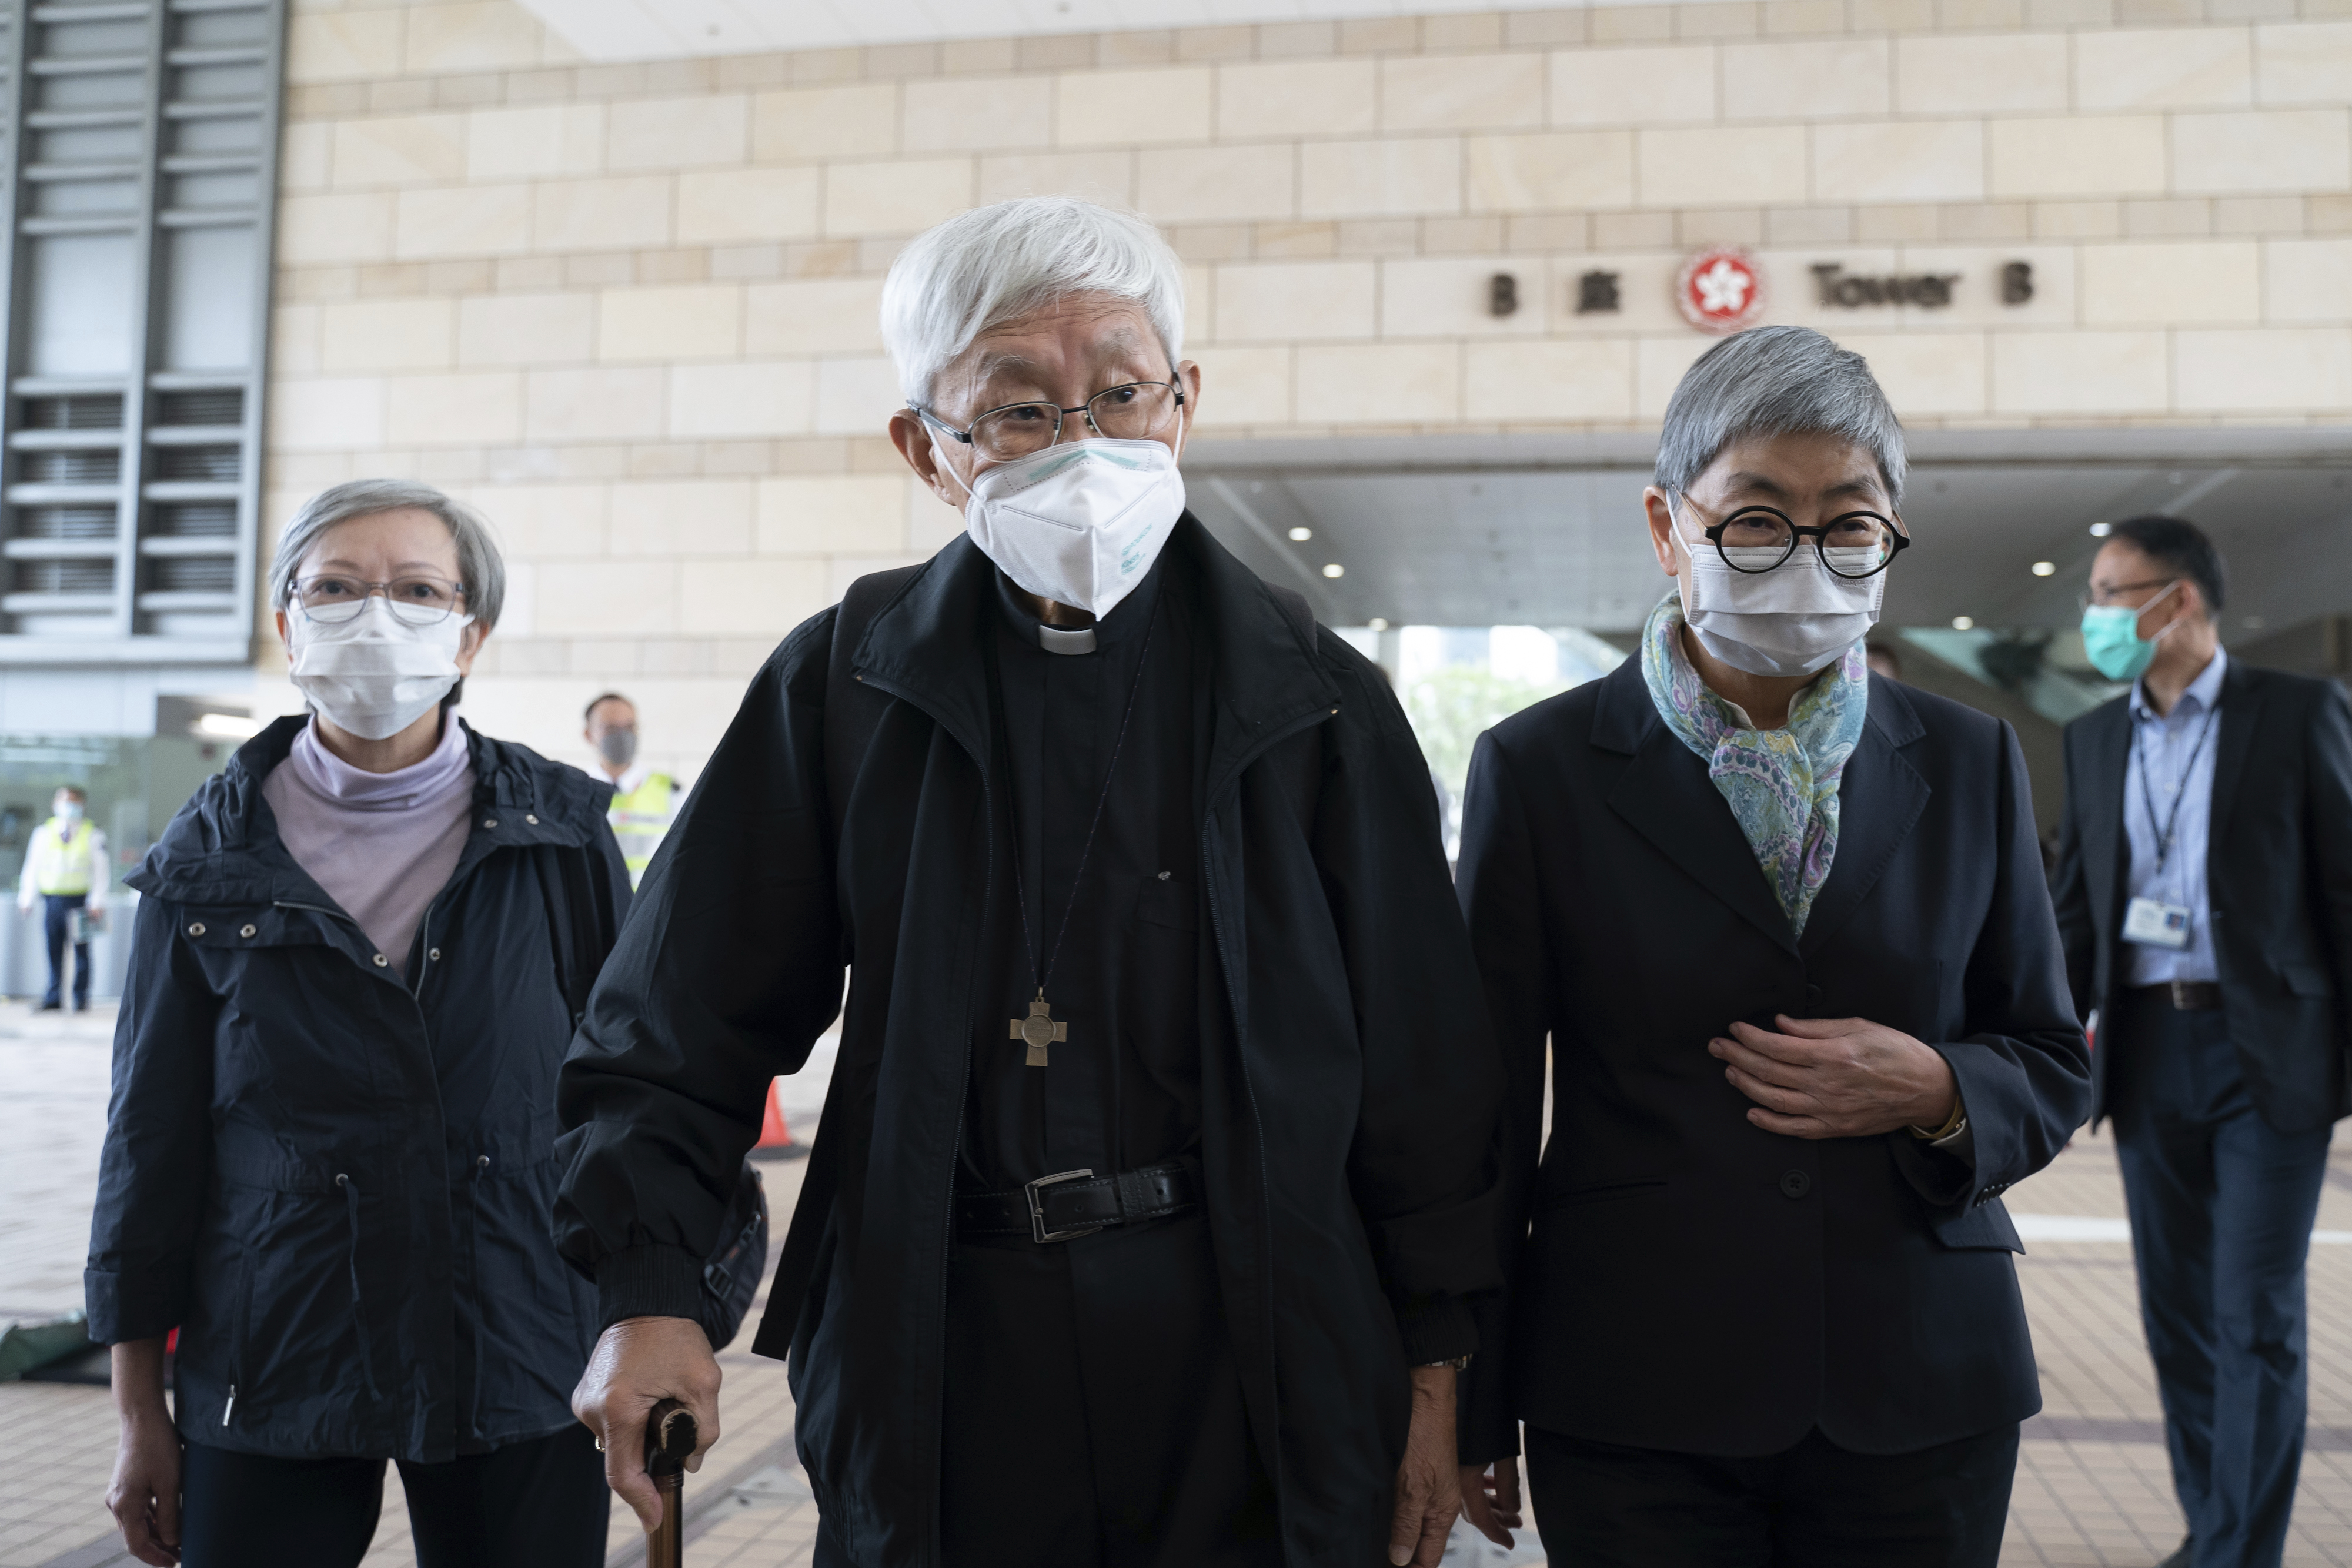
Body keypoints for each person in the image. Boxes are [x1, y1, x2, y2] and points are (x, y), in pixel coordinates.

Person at [553, 196, 1501, 1568]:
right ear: (927, 451)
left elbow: (1425, 1072)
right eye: (1019, 412)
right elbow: (673, 1024)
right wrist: (647, 1293)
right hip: (944, 1331)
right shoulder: (846, 684)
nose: (1084, 446)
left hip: (1250, 1330)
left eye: (1121, 395)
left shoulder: (1313, 697)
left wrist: (1434, 1365)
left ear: (1183, 404)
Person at [1454, 326, 2093, 1567]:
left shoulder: (1965, 759)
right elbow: (1476, 1109)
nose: (1804, 556)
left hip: (1921, 1374)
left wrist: (1940, 1085)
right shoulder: (1537, 769)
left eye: (1847, 522)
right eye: (1755, 517)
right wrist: (1469, 1388)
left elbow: (2046, 1049)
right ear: (1665, 525)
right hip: (1636, 1383)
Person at [87, 480, 630, 1568]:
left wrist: (657, 1327)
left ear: (470, 632)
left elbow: (626, 1099)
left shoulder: (562, 837)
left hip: (520, 1346)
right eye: (335, 588)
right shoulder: (206, 863)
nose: (375, 616)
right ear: (289, 623)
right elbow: (150, 1143)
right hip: (272, 1356)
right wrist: (141, 1409)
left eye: (417, 590)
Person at [2052, 516, 2352, 1568]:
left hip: (2268, 1055)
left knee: (2254, 1315)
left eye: (2109, 590)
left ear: (2177, 601)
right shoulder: (2093, 736)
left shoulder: (2301, 711)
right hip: (2144, 1056)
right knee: (2176, 1317)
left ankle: (2240, 1553)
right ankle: (2211, 1529)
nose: (2093, 614)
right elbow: (2074, 913)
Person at [18, 784, 108, 1011]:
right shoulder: (43, 832)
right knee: (53, 950)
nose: (68, 806)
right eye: (64, 800)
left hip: (81, 901)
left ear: (82, 804)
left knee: (81, 953)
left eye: (73, 801)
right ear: (54, 804)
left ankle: (80, 998)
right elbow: (32, 867)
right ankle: (54, 997)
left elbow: (101, 871)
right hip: (52, 900)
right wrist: (26, 897)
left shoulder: (93, 833)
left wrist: (97, 901)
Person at [584, 693, 676, 889]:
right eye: (610, 728)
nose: (622, 735)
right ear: (589, 735)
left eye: (629, 727)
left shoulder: (672, 794)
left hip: (648, 911)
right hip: (594, 909)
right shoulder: (575, 793)